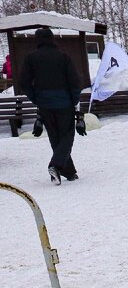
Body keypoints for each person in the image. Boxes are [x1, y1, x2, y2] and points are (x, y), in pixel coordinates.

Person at [17, 27, 83, 184]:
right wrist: (74, 100)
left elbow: (24, 82)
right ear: (52, 38)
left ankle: (69, 172)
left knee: (55, 137)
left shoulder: (31, 58)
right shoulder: (63, 57)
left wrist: (36, 98)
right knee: (67, 135)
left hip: (45, 103)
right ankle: (55, 165)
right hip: (64, 102)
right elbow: (74, 82)